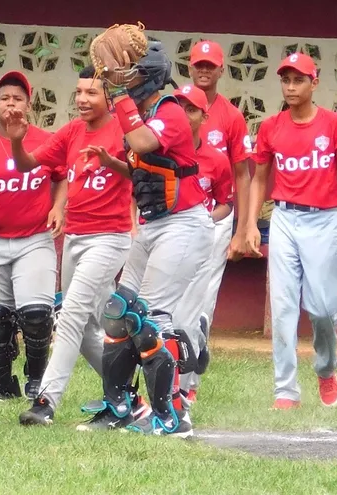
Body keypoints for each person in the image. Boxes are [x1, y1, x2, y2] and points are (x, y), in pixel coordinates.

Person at [78, 38, 212, 438]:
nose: (121, 77)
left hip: (185, 225)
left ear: (149, 74)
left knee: (151, 320)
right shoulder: (141, 112)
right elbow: (143, 169)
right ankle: (121, 406)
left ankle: (172, 416)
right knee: (118, 313)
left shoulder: (169, 111)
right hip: (154, 225)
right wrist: (110, 162)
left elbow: (143, 142)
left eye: (130, 70)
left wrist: (117, 96)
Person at [8, 65, 134, 426]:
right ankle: (122, 391)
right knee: (92, 326)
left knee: (71, 314)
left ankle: (45, 402)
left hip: (109, 238)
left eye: (91, 92)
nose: (82, 99)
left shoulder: (123, 129)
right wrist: (17, 140)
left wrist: (112, 161)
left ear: (109, 97)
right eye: (79, 92)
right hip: (75, 237)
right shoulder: (73, 131)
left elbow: (140, 171)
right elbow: (26, 164)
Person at [244, 52, 337, 410]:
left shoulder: (333, 125)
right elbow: (260, 177)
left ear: (314, 83)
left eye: (299, 80)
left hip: (324, 219)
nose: (291, 86)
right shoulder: (271, 126)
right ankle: (285, 390)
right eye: (286, 80)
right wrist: (250, 221)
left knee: (323, 309)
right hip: (284, 218)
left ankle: (326, 369)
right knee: (283, 307)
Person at [0, 70, 65, 400]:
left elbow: (62, 175)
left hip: (33, 237)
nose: (11, 104)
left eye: (18, 98)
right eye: (5, 98)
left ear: (29, 104)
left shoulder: (45, 139)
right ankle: (1, 384)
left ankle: (36, 379)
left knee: (37, 314)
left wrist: (58, 207)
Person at [184, 40, 253, 401]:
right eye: (199, 64)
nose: (204, 70)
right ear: (190, 67)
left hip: (215, 218)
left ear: (221, 69)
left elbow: (242, 174)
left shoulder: (231, 116)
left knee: (203, 299)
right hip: (176, 219)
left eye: (210, 65)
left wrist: (242, 228)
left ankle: (190, 380)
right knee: (175, 298)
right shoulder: (176, 108)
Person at [172, 84, 234, 401]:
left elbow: (225, 202)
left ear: (203, 115)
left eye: (191, 109)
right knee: (165, 313)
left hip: (202, 240)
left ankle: (187, 385)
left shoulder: (216, 159)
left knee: (190, 311)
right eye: (179, 107)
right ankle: (167, 378)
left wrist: (206, 219)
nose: (184, 115)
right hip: (167, 241)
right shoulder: (162, 153)